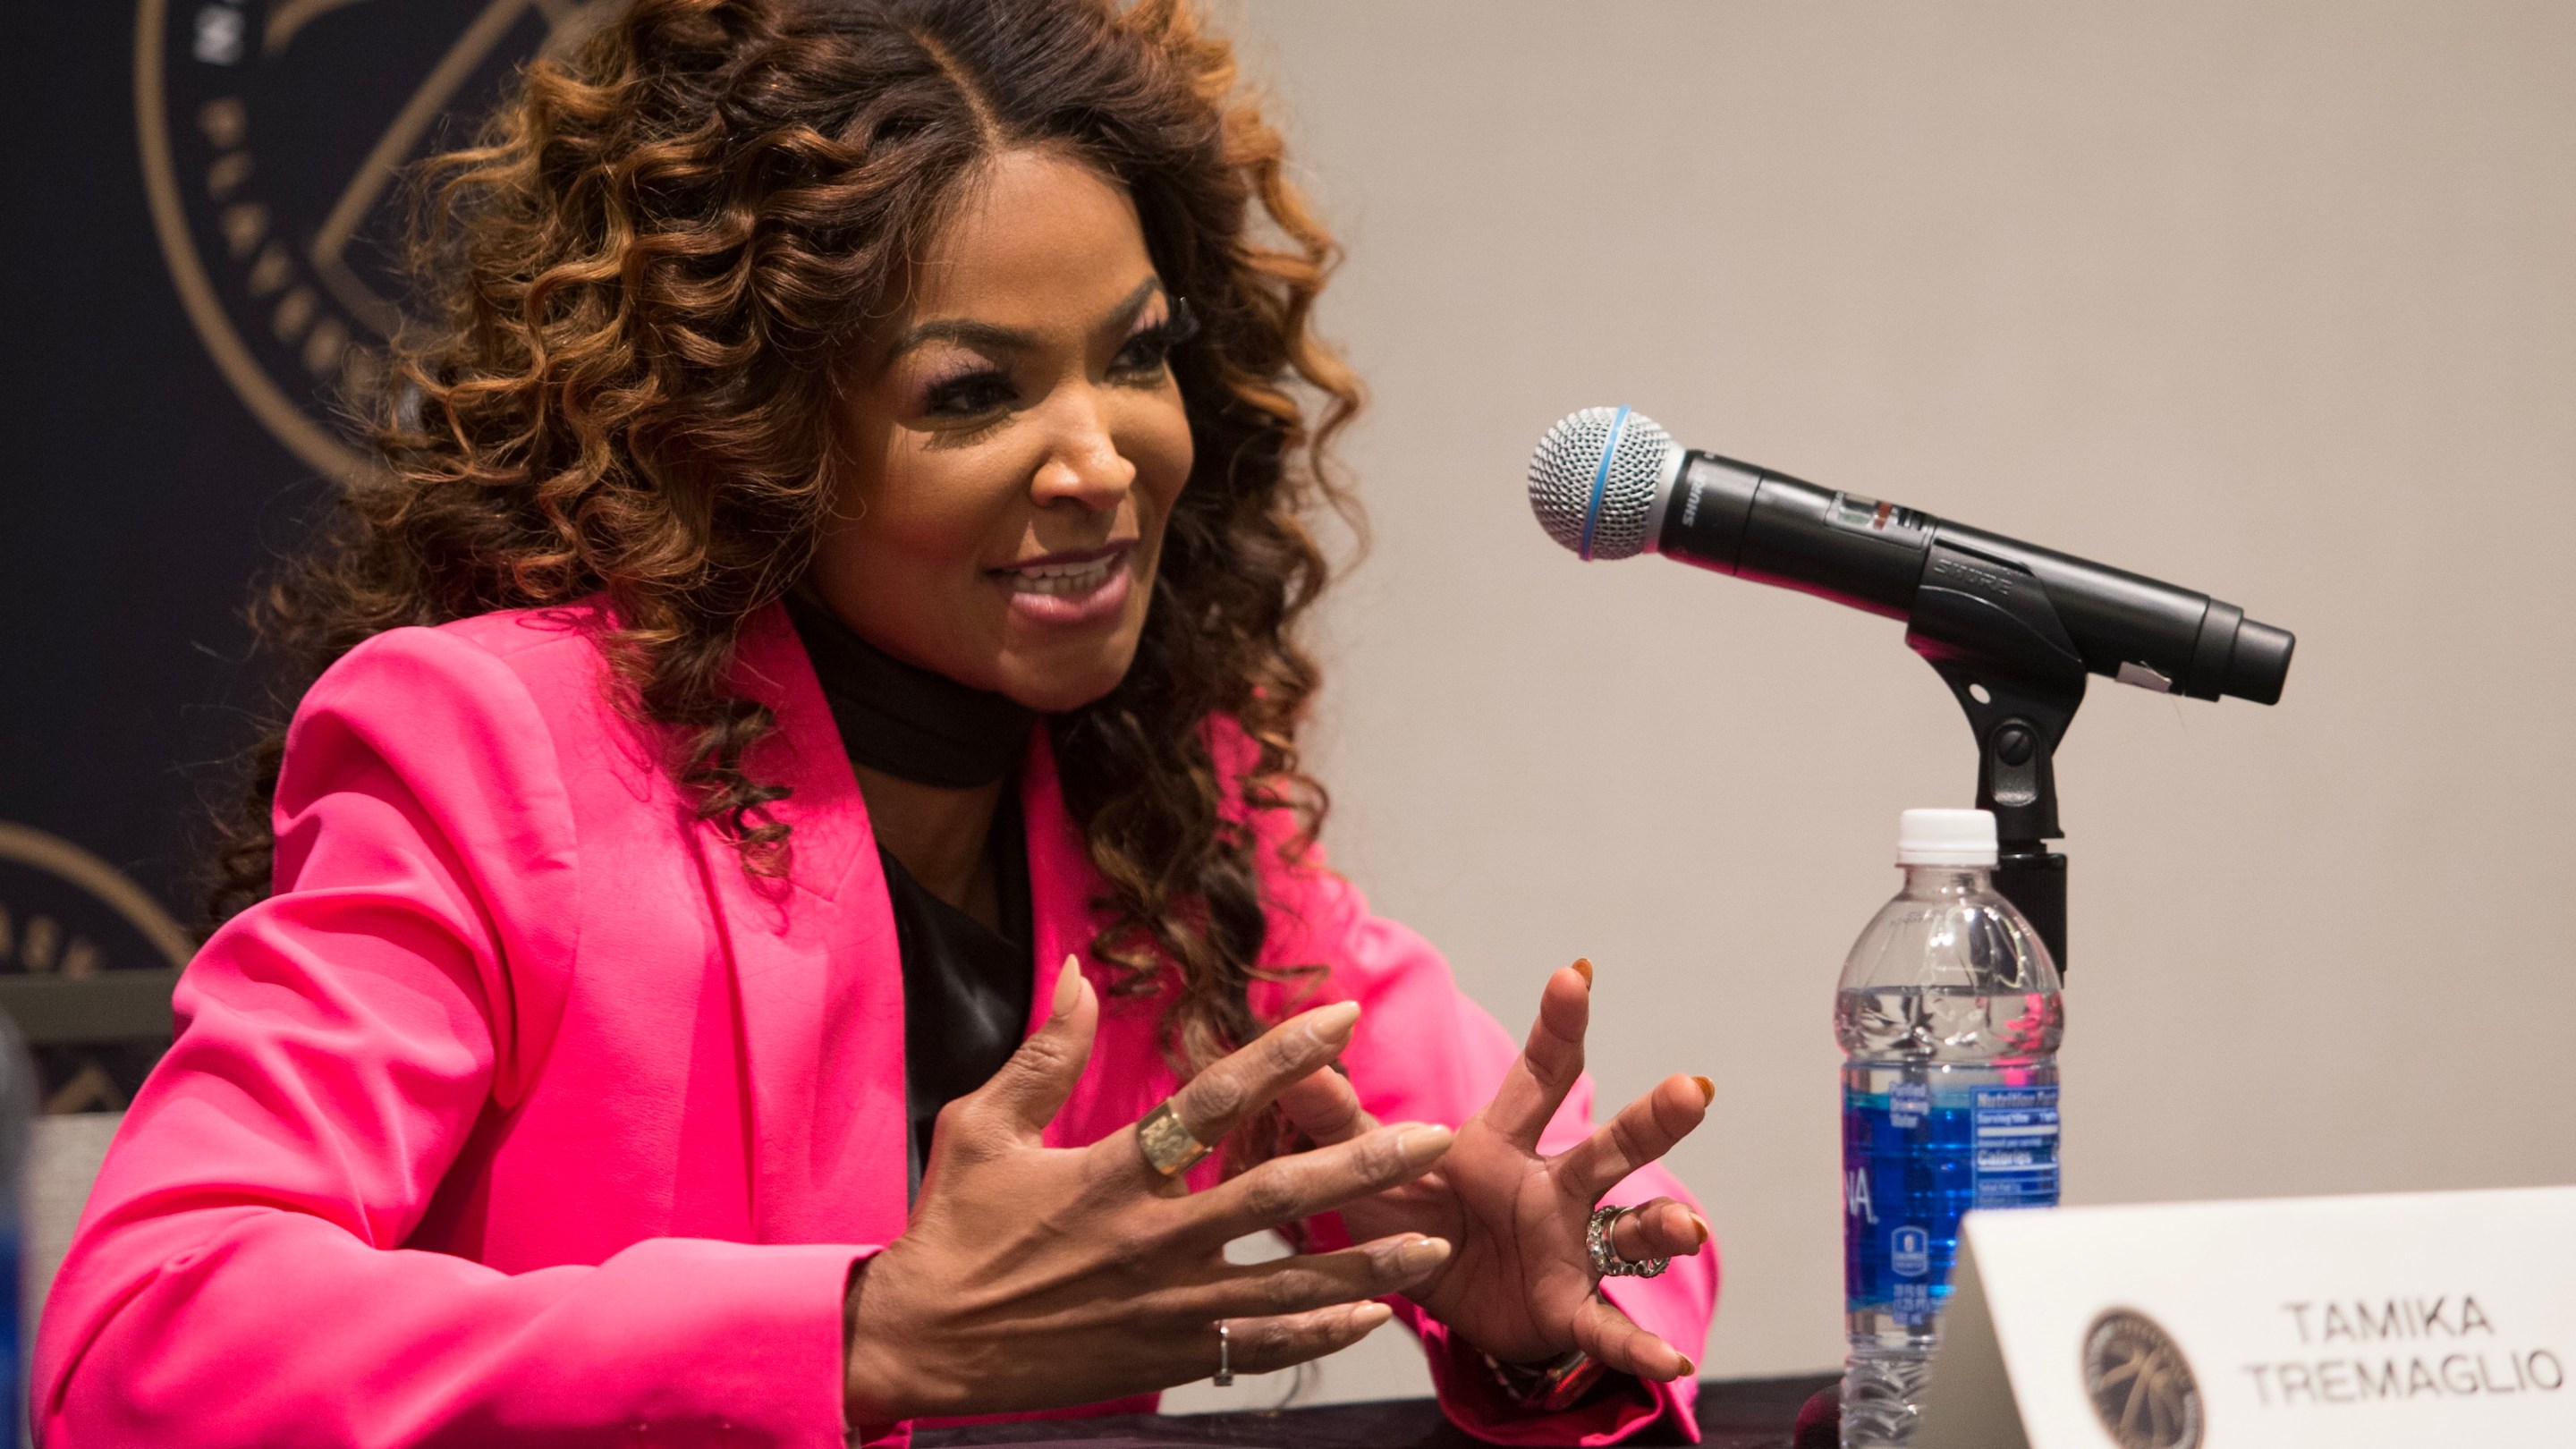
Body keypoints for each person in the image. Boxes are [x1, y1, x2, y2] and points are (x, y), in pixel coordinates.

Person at [34, 1, 1719, 1443]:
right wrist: (851, 1334)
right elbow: (146, 1343)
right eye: (974, 393)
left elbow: (1579, 1197)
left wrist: (1534, 1305)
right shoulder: (490, 750)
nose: (1102, 456)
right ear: (759, 435)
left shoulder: (1167, 809)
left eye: (1134, 359)